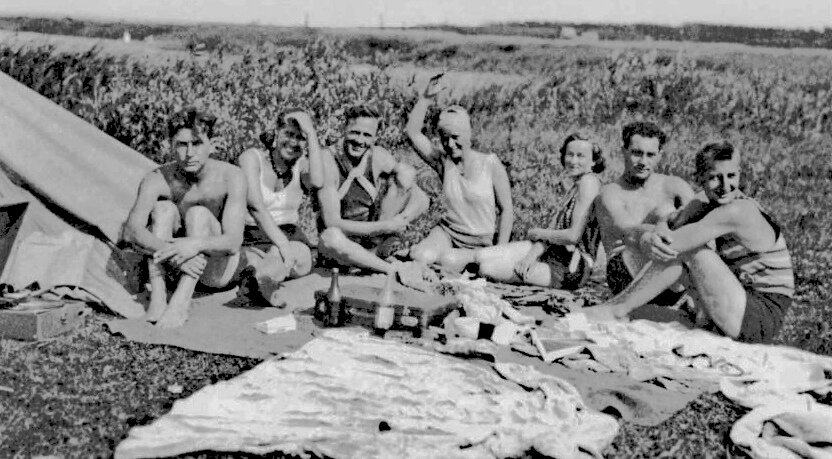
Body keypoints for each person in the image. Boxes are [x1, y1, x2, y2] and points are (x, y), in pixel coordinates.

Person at [584, 141, 794, 344]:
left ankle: (616, 309)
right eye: (714, 177)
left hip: (759, 316)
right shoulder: (703, 201)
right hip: (734, 302)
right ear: (700, 178)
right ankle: (616, 308)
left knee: (690, 250)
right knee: (638, 314)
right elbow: (669, 222)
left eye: (731, 176)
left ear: (739, 174)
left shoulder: (738, 210)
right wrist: (655, 231)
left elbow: (672, 244)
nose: (725, 186)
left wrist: (645, 237)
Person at [123, 108, 284, 328]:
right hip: (177, 265)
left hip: (217, 270)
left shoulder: (231, 176)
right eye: (182, 145)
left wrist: (193, 245)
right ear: (171, 145)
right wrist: (173, 252)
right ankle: (159, 298)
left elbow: (233, 241)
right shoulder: (158, 178)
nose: (189, 153)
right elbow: (131, 230)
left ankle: (180, 302)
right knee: (162, 209)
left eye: (197, 143)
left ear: (212, 144)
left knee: (197, 214)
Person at [405, 73, 513, 271]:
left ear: (468, 134)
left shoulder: (490, 164)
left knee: (448, 261)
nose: (450, 144)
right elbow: (413, 133)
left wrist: (500, 252)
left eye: (455, 137)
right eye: (444, 138)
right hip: (447, 233)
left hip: (480, 242)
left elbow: (506, 210)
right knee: (420, 255)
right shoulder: (444, 163)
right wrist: (426, 97)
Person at [475, 133, 603, 288]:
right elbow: (553, 232)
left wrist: (538, 233)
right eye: (570, 154)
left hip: (575, 266)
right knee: (481, 256)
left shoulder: (589, 183)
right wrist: (530, 256)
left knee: (487, 268)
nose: (573, 161)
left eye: (580, 156)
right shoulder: (575, 186)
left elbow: (573, 236)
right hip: (557, 252)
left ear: (594, 161)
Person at [316, 104, 430, 277]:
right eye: (355, 132)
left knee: (405, 174)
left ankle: (370, 259)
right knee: (330, 238)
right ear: (344, 128)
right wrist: (384, 226)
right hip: (341, 243)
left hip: (372, 241)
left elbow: (422, 199)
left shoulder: (378, 156)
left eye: (367, 135)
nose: (360, 141)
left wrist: (400, 219)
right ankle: (393, 270)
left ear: (375, 137)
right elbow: (332, 222)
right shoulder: (327, 159)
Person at [595, 121, 694, 304]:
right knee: (637, 246)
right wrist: (656, 231)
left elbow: (701, 223)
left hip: (673, 272)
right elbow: (628, 231)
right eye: (637, 153)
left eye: (650, 155)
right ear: (624, 151)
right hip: (627, 274)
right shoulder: (610, 193)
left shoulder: (675, 187)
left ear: (660, 155)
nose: (643, 162)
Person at [236, 109, 321, 299]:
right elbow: (255, 206)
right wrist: (282, 245)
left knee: (285, 255)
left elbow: (317, 182)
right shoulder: (251, 158)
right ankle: (262, 281)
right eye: (289, 134)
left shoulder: (301, 165)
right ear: (276, 132)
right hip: (252, 235)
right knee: (253, 260)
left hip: (290, 236)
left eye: (301, 138)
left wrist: (311, 133)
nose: (293, 142)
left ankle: (259, 283)